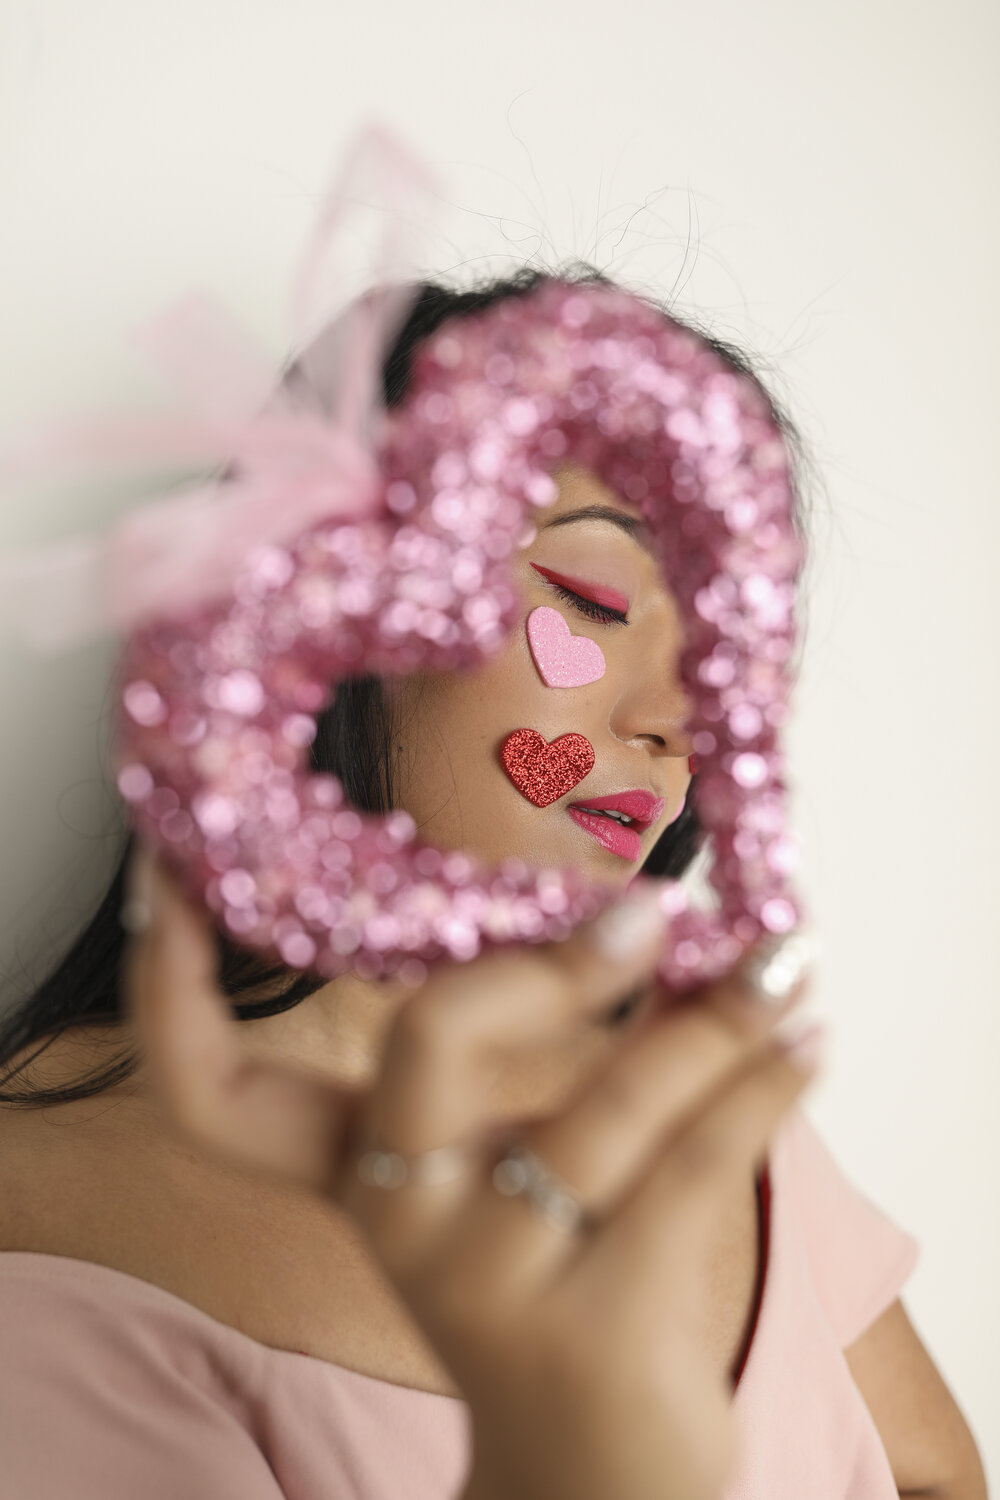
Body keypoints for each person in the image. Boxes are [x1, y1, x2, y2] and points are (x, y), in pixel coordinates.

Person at [0, 267, 985, 1499]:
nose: (681, 721)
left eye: (722, 645)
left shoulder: (693, 1095)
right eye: (592, 600)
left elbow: (941, 1473)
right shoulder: (51, 1222)